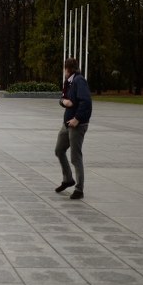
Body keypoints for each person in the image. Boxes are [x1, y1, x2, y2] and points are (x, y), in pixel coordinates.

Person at [55, 57, 93, 200]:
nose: (64, 71)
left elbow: (86, 102)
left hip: (77, 125)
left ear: (68, 69)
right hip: (67, 124)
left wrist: (77, 119)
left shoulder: (79, 81)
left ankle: (79, 189)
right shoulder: (68, 82)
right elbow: (63, 99)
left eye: (64, 69)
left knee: (75, 157)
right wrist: (63, 102)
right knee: (59, 150)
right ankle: (68, 179)